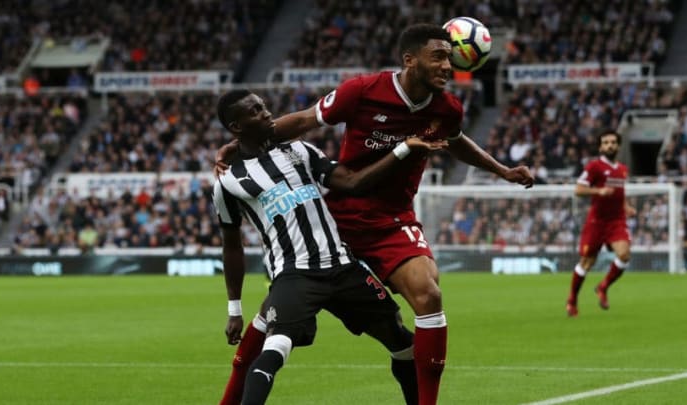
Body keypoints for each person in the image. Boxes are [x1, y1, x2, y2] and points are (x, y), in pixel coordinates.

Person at [216, 23, 534, 405]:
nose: (448, 66)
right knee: (271, 319)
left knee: (427, 296)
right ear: (409, 59)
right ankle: (231, 396)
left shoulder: (447, 108)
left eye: (450, 57)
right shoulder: (363, 90)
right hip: (339, 219)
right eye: (439, 56)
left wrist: (502, 171)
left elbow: (454, 140)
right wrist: (240, 145)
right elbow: (302, 121)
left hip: (391, 220)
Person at [213, 89, 448, 405]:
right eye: (255, 111)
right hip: (295, 274)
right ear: (236, 126)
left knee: (404, 344)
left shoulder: (299, 150)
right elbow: (232, 247)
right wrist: (234, 309)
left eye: (264, 106)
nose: (266, 113)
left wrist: (403, 150)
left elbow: (353, 182)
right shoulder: (228, 181)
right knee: (276, 347)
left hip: (343, 267)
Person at [566, 130, 636, 317]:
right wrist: (598, 192)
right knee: (587, 262)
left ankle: (603, 287)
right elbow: (578, 189)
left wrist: (626, 206)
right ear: (600, 146)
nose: (610, 145)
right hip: (596, 221)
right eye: (606, 142)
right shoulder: (594, 167)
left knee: (624, 254)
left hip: (616, 220)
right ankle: (572, 300)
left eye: (613, 142)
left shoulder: (622, 169)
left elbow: (619, 193)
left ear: (618, 146)